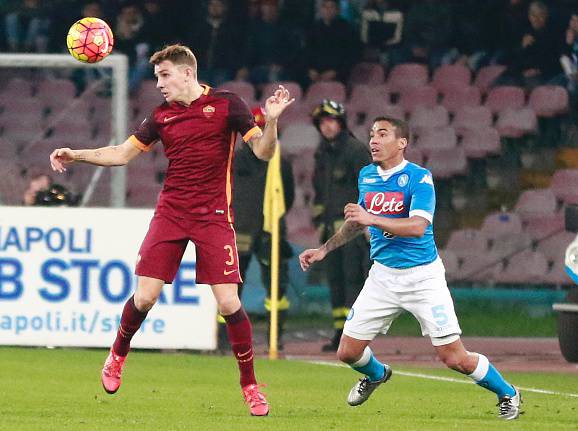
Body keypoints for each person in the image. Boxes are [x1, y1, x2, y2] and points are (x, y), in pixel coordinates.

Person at [49, 43, 294, 417]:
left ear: (187, 73)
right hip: (172, 213)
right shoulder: (161, 116)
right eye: (157, 77)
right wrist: (76, 154)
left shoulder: (227, 104)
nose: (159, 84)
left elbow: (263, 152)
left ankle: (250, 386)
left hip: (213, 215)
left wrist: (271, 121)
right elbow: (121, 154)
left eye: (164, 75)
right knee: (145, 297)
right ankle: (117, 354)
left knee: (229, 303)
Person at [298, 116, 522, 420]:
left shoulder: (419, 178)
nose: (373, 140)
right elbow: (357, 222)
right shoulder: (367, 175)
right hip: (382, 277)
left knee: (454, 358)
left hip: (422, 278)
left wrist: (372, 218)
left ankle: (508, 392)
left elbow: (417, 227)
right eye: (372, 134)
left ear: (402, 143)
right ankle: (377, 374)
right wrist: (324, 249)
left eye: (382, 134)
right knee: (347, 352)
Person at [227, 105, 295, 351]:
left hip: (270, 231)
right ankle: (224, 339)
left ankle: (275, 337)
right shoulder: (234, 160)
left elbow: (287, 196)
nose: (257, 134)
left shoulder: (280, 162)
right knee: (231, 287)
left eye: (262, 129)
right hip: (241, 229)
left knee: (277, 286)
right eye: (254, 129)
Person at [311, 99, 371, 352]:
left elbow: (369, 188)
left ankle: (355, 335)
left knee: (352, 280)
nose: (327, 126)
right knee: (335, 281)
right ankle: (339, 334)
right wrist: (319, 221)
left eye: (332, 121)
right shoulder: (323, 152)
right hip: (329, 231)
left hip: (352, 232)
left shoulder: (356, 150)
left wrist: (366, 223)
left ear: (342, 123)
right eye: (322, 122)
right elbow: (319, 191)